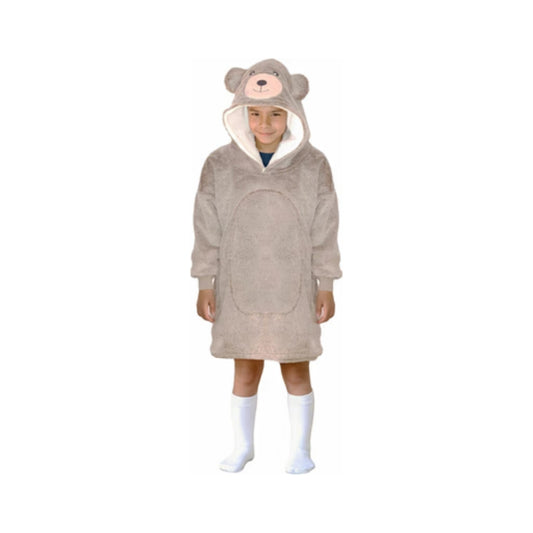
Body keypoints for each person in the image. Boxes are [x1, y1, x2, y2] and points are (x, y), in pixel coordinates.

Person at [191, 59, 342, 474]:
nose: (264, 123)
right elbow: (206, 225)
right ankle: (243, 446)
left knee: (296, 367)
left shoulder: (313, 165)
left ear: (293, 112)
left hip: (293, 286)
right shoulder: (219, 165)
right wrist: (205, 281)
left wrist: (326, 283)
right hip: (239, 286)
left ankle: (300, 449)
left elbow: (326, 226)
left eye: (276, 113)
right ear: (240, 112)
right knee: (245, 368)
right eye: (255, 113)